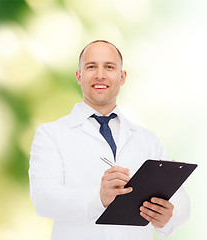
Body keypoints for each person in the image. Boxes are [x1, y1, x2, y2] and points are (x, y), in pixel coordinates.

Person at [29, 40, 190, 240]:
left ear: (122, 77)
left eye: (109, 67)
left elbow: (181, 200)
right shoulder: (51, 135)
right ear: (79, 76)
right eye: (91, 67)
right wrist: (99, 197)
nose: (100, 75)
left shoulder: (147, 140)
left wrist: (168, 216)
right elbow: (43, 199)